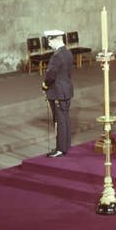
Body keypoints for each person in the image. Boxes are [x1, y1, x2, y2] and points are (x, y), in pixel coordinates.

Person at [42, 29, 74, 157]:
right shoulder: (68, 53)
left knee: (59, 120)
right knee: (65, 118)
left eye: (50, 41)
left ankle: (60, 149)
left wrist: (44, 87)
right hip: (67, 90)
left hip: (57, 92)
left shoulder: (56, 56)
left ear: (55, 39)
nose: (49, 44)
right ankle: (66, 145)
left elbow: (50, 76)